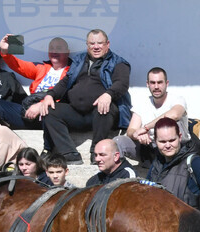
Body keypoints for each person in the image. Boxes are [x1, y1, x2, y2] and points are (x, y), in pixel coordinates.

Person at [40, 29, 132, 164]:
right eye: (92, 43)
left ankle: (96, 151)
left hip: (101, 115)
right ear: (87, 45)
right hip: (76, 113)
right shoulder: (79, 60)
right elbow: (66, 81)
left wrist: (108, 94)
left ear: (107, 44)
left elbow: (122, 84)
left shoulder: (119, 63)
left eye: (100, 43)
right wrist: (50, 95)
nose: (96, 47)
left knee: (104, 107)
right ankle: (69, 153)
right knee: (50, 111)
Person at [146, 117, 200, 213]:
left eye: (172, 140)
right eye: (162, 142)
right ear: (155, 141)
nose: (168, 145)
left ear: (180, 137)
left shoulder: (193, 162)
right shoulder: (156, 164)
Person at [115, 67, 189, 168]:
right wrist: (137, 135)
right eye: (153, 83)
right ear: (147, 84)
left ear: (166, 84)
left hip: (174, 149)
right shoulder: (142, 103)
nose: (156, 86)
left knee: (175, 124)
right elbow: (131, 130)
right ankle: (121, 174)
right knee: (118, 141)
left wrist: (146, 128)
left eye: (160, 82)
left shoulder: (177, 99)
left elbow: (174, 115)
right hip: (150, 149)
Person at [0, 34, 70, 130]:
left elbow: (68, 98)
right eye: (51, 48)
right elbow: (18, 65)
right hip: (29, 111)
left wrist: (41, 105)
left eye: (59, 48)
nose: (54, 51)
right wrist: (5, 51)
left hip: (50, 114)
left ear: (67, 52)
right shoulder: (41, 67)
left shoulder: (72, 72)